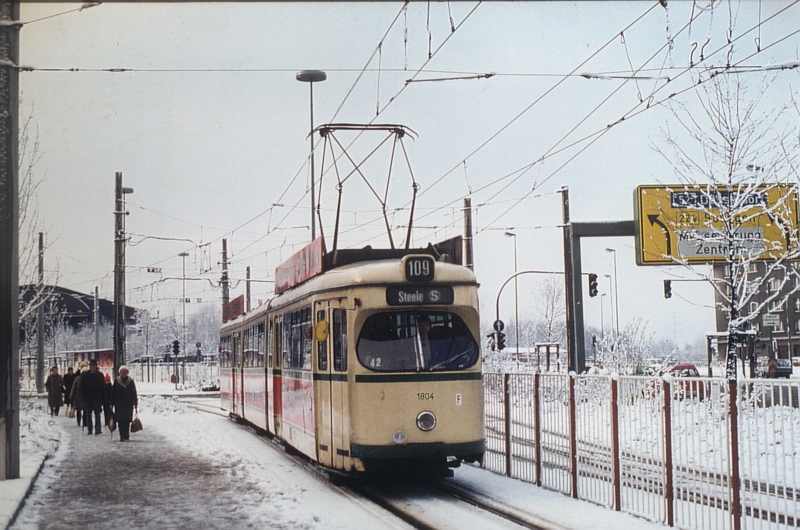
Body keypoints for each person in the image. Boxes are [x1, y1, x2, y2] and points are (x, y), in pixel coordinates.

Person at [111, 365, 138, 442]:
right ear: (120, 373)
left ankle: (126, 435)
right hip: (118, 404)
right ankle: (122, 436)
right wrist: (111, 403)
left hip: (128, 404)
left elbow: (134, 393)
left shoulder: (131, 381)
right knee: (120, 420)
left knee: (127, 420)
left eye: (125, 372)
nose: (123, 373)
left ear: (127, 373)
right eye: (122, 372)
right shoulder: (117, 381)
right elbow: (113, 393)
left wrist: (135, 403)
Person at [81, 359, 106, 435]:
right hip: (88, 398)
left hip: (97, 398)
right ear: (89, 366)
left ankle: (98, 429)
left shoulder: (100, 375)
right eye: (91, 365)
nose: (92, 367)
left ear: (96, 366)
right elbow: (82, 387)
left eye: (94, 365)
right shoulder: (85, 375)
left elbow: (103, 387)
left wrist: (103, 398)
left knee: (97, 414)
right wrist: (83, 398)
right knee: (88, 414)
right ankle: (90, 429)